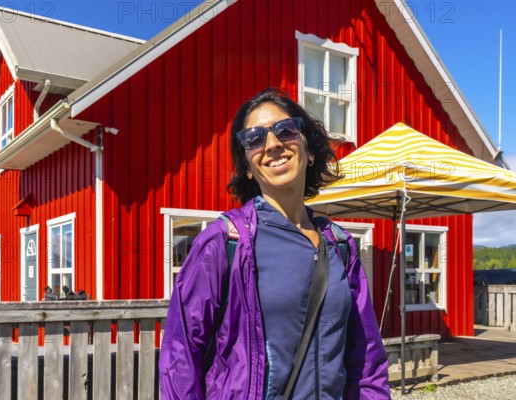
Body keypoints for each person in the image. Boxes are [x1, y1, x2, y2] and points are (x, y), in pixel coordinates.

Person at [159, 88, 390, 399]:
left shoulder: (340, 245)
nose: (272, 144)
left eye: (286, 130)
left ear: (309, 151)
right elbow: (180, 356)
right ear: (246, 167)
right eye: (254, 138)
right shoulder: (224, 242)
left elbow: (366, 361)